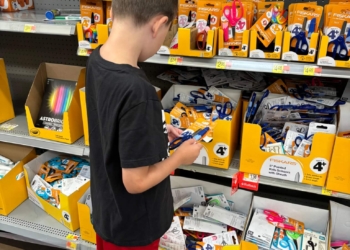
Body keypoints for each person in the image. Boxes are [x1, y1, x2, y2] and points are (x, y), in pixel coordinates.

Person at [85, 0, 203, 249]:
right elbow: (135, 182)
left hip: (108, 212)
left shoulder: (97, 59)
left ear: (114, 11)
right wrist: (179, 157)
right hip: (134, 227)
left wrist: (157, 129)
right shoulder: (138, 91)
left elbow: (112, 124)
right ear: (158, 24)